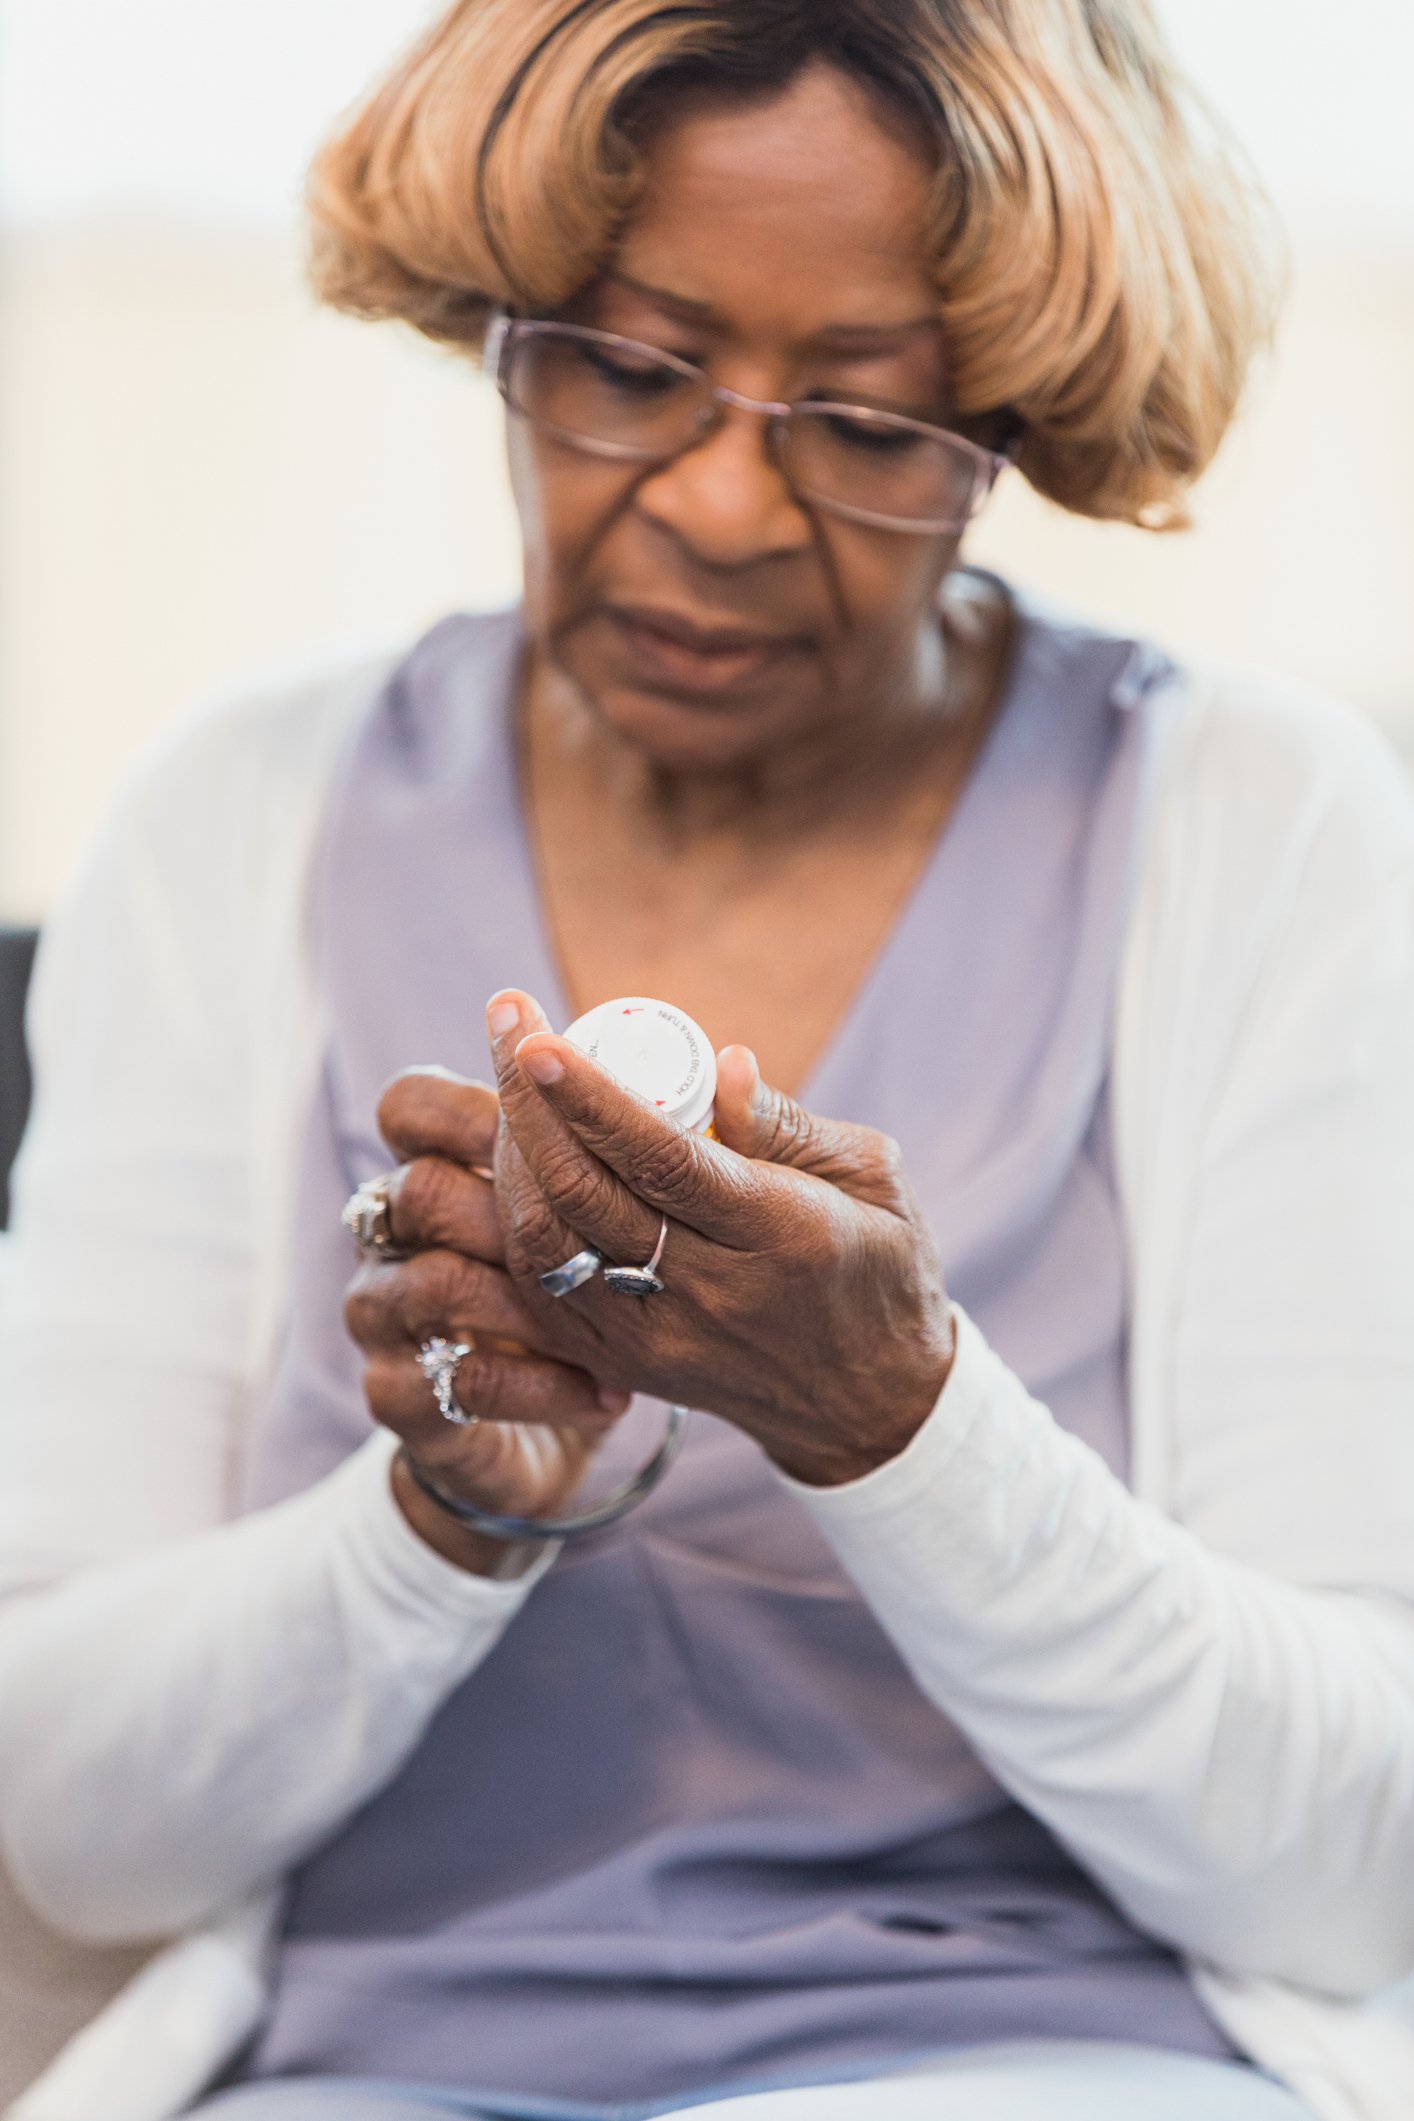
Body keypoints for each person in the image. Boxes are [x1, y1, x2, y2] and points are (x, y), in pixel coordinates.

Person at [1, 3, 1412, 2117]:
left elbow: (1345, 1878)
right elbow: (73, 1820)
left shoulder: (1254, 822)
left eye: (867, 426)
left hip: (1040, 2056)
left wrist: (901, 1420)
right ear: (502, 323)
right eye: (632, 372)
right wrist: (436, 1519)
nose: (730, 508)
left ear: (1016, 420)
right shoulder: (235, 812)